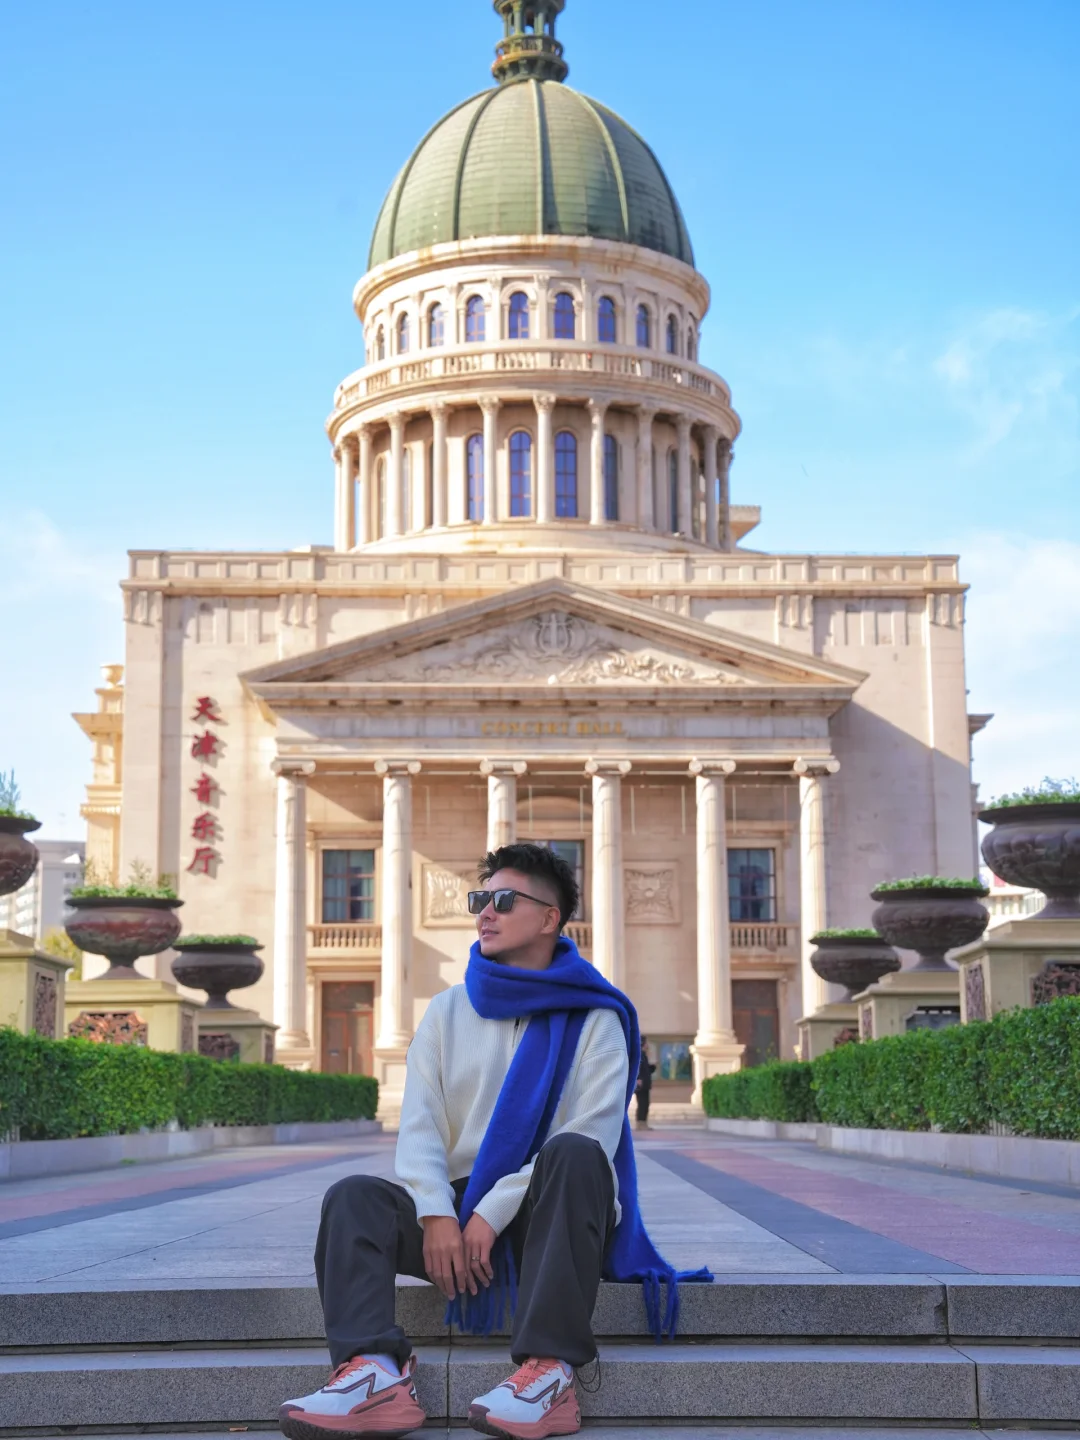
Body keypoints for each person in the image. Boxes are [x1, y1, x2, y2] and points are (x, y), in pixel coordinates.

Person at [279, 842, 710, 1440]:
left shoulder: (596, 1019)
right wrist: (437, 1213)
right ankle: (374, 1375)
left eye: (504, 900)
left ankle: (550, 1373)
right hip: (456, 1220)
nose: (485, 911)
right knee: (353, 1197)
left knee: (577, 1154)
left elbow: (590, 1129)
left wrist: (491, 1211)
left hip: (550, 1213)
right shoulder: (447, 1010)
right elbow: (420, 1125)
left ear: (550, 918)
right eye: (481, 898)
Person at [634, 1036, 656, 1128]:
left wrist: (653, 1067)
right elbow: (636, 1068)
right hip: (641, 1084)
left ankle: (643, 1123)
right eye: (646, 1043)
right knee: (642, 1104)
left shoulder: (644, 1055)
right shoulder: (639, 1055)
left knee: (645, 1104)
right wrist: (637, 1078)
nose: (648, 1045)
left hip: (645, 1084)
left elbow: (646, 1070)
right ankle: (640, 1123)